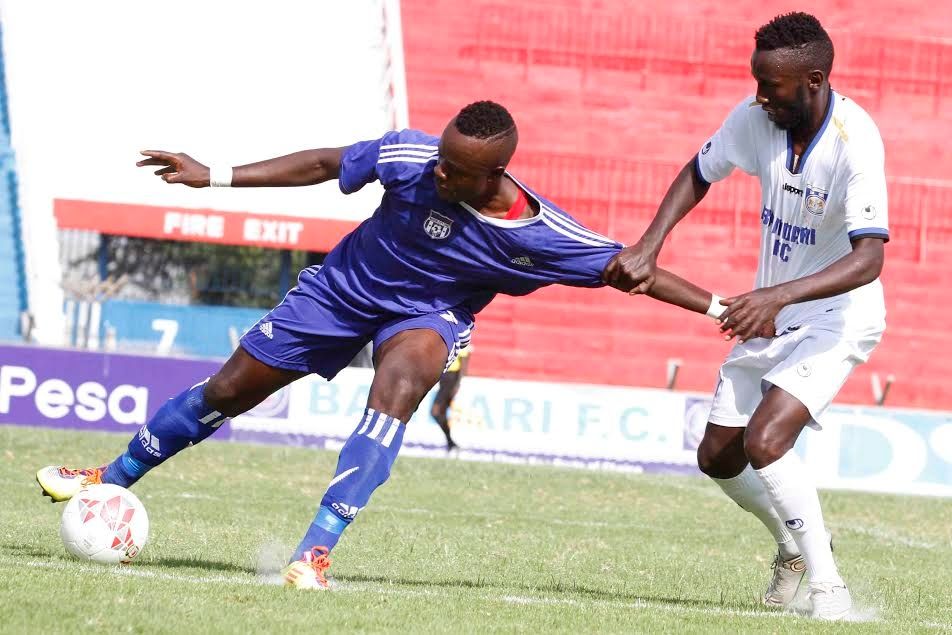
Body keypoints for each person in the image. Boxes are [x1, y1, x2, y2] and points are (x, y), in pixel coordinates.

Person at [38, 101, 727, 590]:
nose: (439, 173)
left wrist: (722, 307)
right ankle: (111, 478)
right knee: (227, 391)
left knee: (399, 384)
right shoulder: (411, 156)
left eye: (455, 170)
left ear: (493, 175)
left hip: (428, 316)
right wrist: (213, 174)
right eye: (442, 159)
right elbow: (323, 162)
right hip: (340, 291)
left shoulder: (539, 234)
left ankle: (314, 552)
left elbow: (633, 270)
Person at [602, 13, 888, 621]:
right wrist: (650, 244)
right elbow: (698, 171)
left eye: (771, 86)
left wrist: (777, 296)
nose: (759, 96)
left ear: (813, 80)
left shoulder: (855, 140)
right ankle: (792, 545)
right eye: (757, 82)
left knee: (766, 441)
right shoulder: (755, 119)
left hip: (838, 314)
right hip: (774, 313)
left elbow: (869, 260)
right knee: (718, 456)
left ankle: (829, 590)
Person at [429, 343, 471, 451]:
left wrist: (457, 385)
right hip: (445, 378)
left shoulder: (461, 339)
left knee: (435, 412)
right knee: (440, 413)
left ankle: (450, 441)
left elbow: (464, 361)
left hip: (451, 378)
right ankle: (450, 442)